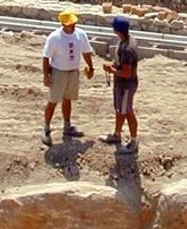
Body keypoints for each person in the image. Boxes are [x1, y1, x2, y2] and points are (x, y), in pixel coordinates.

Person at [41, 9, 95, 146]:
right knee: (53, 101)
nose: (73, 25)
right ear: (63, 24)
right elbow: (46, 58)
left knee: (68, 99)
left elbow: (86, 52)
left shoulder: (80, 35)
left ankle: (67, 125)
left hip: (73, 72)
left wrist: (90, 67)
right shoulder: (54, 37)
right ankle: (46, 128)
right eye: (70, 23)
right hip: (58, 72)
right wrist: (46, 75)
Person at [101, 16, 140, 153]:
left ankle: (134, 141)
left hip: (126, 85)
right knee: (120, 110)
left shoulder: (127, 49)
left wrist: (111, 70)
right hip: (121, 84)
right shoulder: (127, 40)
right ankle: (117, 134)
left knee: (127, 111)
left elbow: (126, 73)